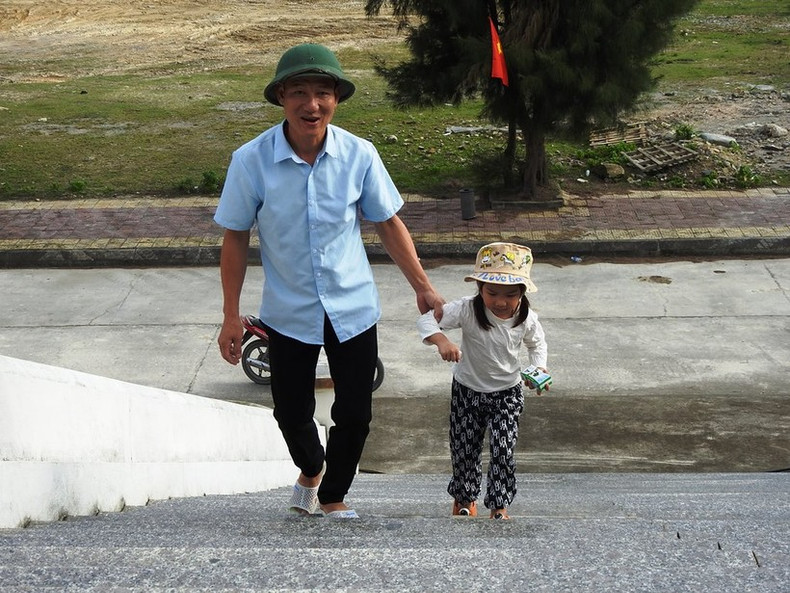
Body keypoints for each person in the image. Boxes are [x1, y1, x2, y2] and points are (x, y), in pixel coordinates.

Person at [214, 43, 442, 519]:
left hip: (352, 306)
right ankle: (312, 468)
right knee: (290, 413)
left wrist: (422, 285)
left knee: (355, 414)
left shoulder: (359, 155)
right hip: (288, 311)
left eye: (323, 93)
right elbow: (235, 236)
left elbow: (388, 222)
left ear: (337, 99)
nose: (311, 104)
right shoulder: (251, 160)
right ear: (281, 97)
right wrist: (230, 315)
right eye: (299, 92)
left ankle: (334, 495)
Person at [417, 242, 549, 520]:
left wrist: (538, 370)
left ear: (522, 292)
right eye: (492, 293)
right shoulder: (467, 309)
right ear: (479, 288)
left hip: (507, 393)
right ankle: (465, 500)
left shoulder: (526, 318)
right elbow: (427, 321)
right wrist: (442, 341)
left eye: (510, 295)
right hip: (467, 390)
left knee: (503, 448)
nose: (501, 302)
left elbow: (537, 345)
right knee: (464, 448)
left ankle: (499, 505)